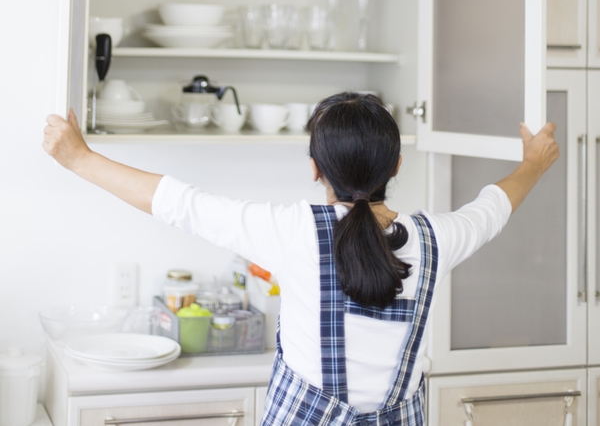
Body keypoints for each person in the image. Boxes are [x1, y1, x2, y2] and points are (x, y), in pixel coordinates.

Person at [43, 92, 559, 426]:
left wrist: (78, 158)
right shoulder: (435, 238)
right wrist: (534, 160)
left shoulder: (292, 231)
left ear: (316, 169)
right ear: (397, 164)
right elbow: (495, 205)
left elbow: (178, 203)